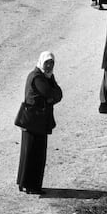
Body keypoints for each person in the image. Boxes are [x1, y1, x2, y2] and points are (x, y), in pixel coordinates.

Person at [17, 51, 62, 195]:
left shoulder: (47, 77)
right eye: (47, 63)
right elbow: (49, 93)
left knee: (33, 152)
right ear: (41, 62)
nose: (49, 66)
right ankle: (31, 186)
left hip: (37, 121)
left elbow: (58, 94)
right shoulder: (37, 77)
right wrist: (50, 97)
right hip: (34, 120)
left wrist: (51, 97)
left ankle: (26, 183)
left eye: (52, 63)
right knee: (33, 153)